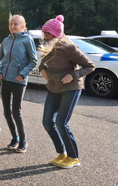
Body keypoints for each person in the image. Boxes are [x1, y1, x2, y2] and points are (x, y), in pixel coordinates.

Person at [39, 15, 95, 169]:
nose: (44, 36)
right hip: (53, 87)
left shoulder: (69, 47)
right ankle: (61, 153)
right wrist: (42, 69)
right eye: (44, 33)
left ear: (56, 34)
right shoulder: (47, 44)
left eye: (47, 33)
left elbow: (90, 66)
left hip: (71, 88)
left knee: (61, 122)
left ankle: (74, 157)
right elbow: (43, 62)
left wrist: (73, 75)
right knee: (47, 122)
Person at [0, 15, 38, 153]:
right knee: (6, 112)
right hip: (5, 80)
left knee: (16, 111)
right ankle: (15, 138)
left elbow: (33, 61)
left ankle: (23, 140)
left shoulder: (27, 40)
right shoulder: (6, 40)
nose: (13, 26)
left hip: (19, 81)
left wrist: (22, 74)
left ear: (23, 26)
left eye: (16, 24)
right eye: (11, 24)